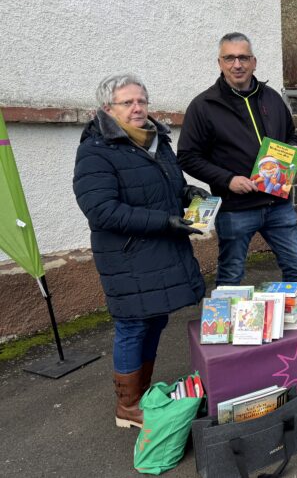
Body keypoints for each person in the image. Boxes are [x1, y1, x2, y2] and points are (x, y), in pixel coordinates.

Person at [177, 32, 297, 352]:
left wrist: (295, 151)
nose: (237, 64)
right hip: (236, 207)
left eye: (243, 58)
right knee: (231, 273)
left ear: (254, 62)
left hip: (278, 204)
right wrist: (227, 179)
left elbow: (290, 137)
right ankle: (228, 341)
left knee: (295, 267)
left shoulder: (272, 98)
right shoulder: (204, 106)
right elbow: (188, 157)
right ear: (220, 63)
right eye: (230, 58)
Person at [73, 74, 207, 428]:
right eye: (127, 103)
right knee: (133, 326)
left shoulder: (157, 141)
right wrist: (164, 222)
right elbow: (101, 210)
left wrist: (189, 194)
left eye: (142, 101)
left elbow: (169, 187)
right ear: (107, 109)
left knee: (156, 320)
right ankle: (128, 406)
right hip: (128, 256)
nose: (137, 108)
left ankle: (143, 393)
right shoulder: (96, 149)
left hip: (159, 252)